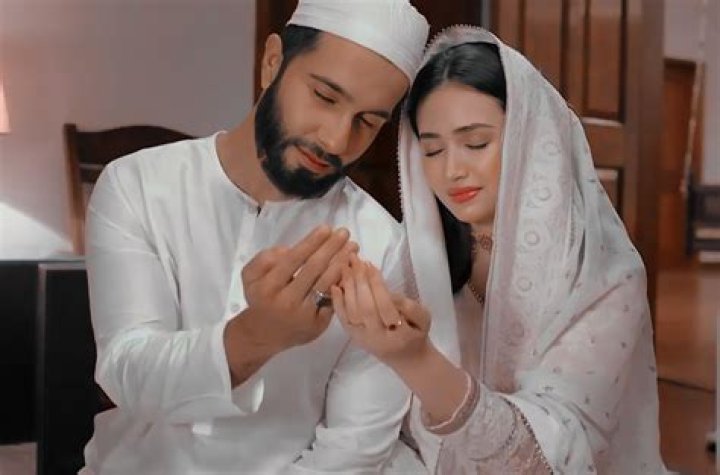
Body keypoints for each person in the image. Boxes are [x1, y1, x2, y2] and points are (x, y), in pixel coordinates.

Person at [81, 1, 429, 473]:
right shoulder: (137, 185)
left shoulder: (382, 244)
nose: (336, 140)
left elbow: (355, 447)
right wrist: (255, 336)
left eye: (367, 122)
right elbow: (129, 374)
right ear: (272, 62)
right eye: (325, 97)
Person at [332, 26, 668, 474]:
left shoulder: (607, 276)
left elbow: (548, 459)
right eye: (432, 150)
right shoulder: (416, 261)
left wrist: (417, 361)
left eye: (476, 143)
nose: (452, 170)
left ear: (534, 139)